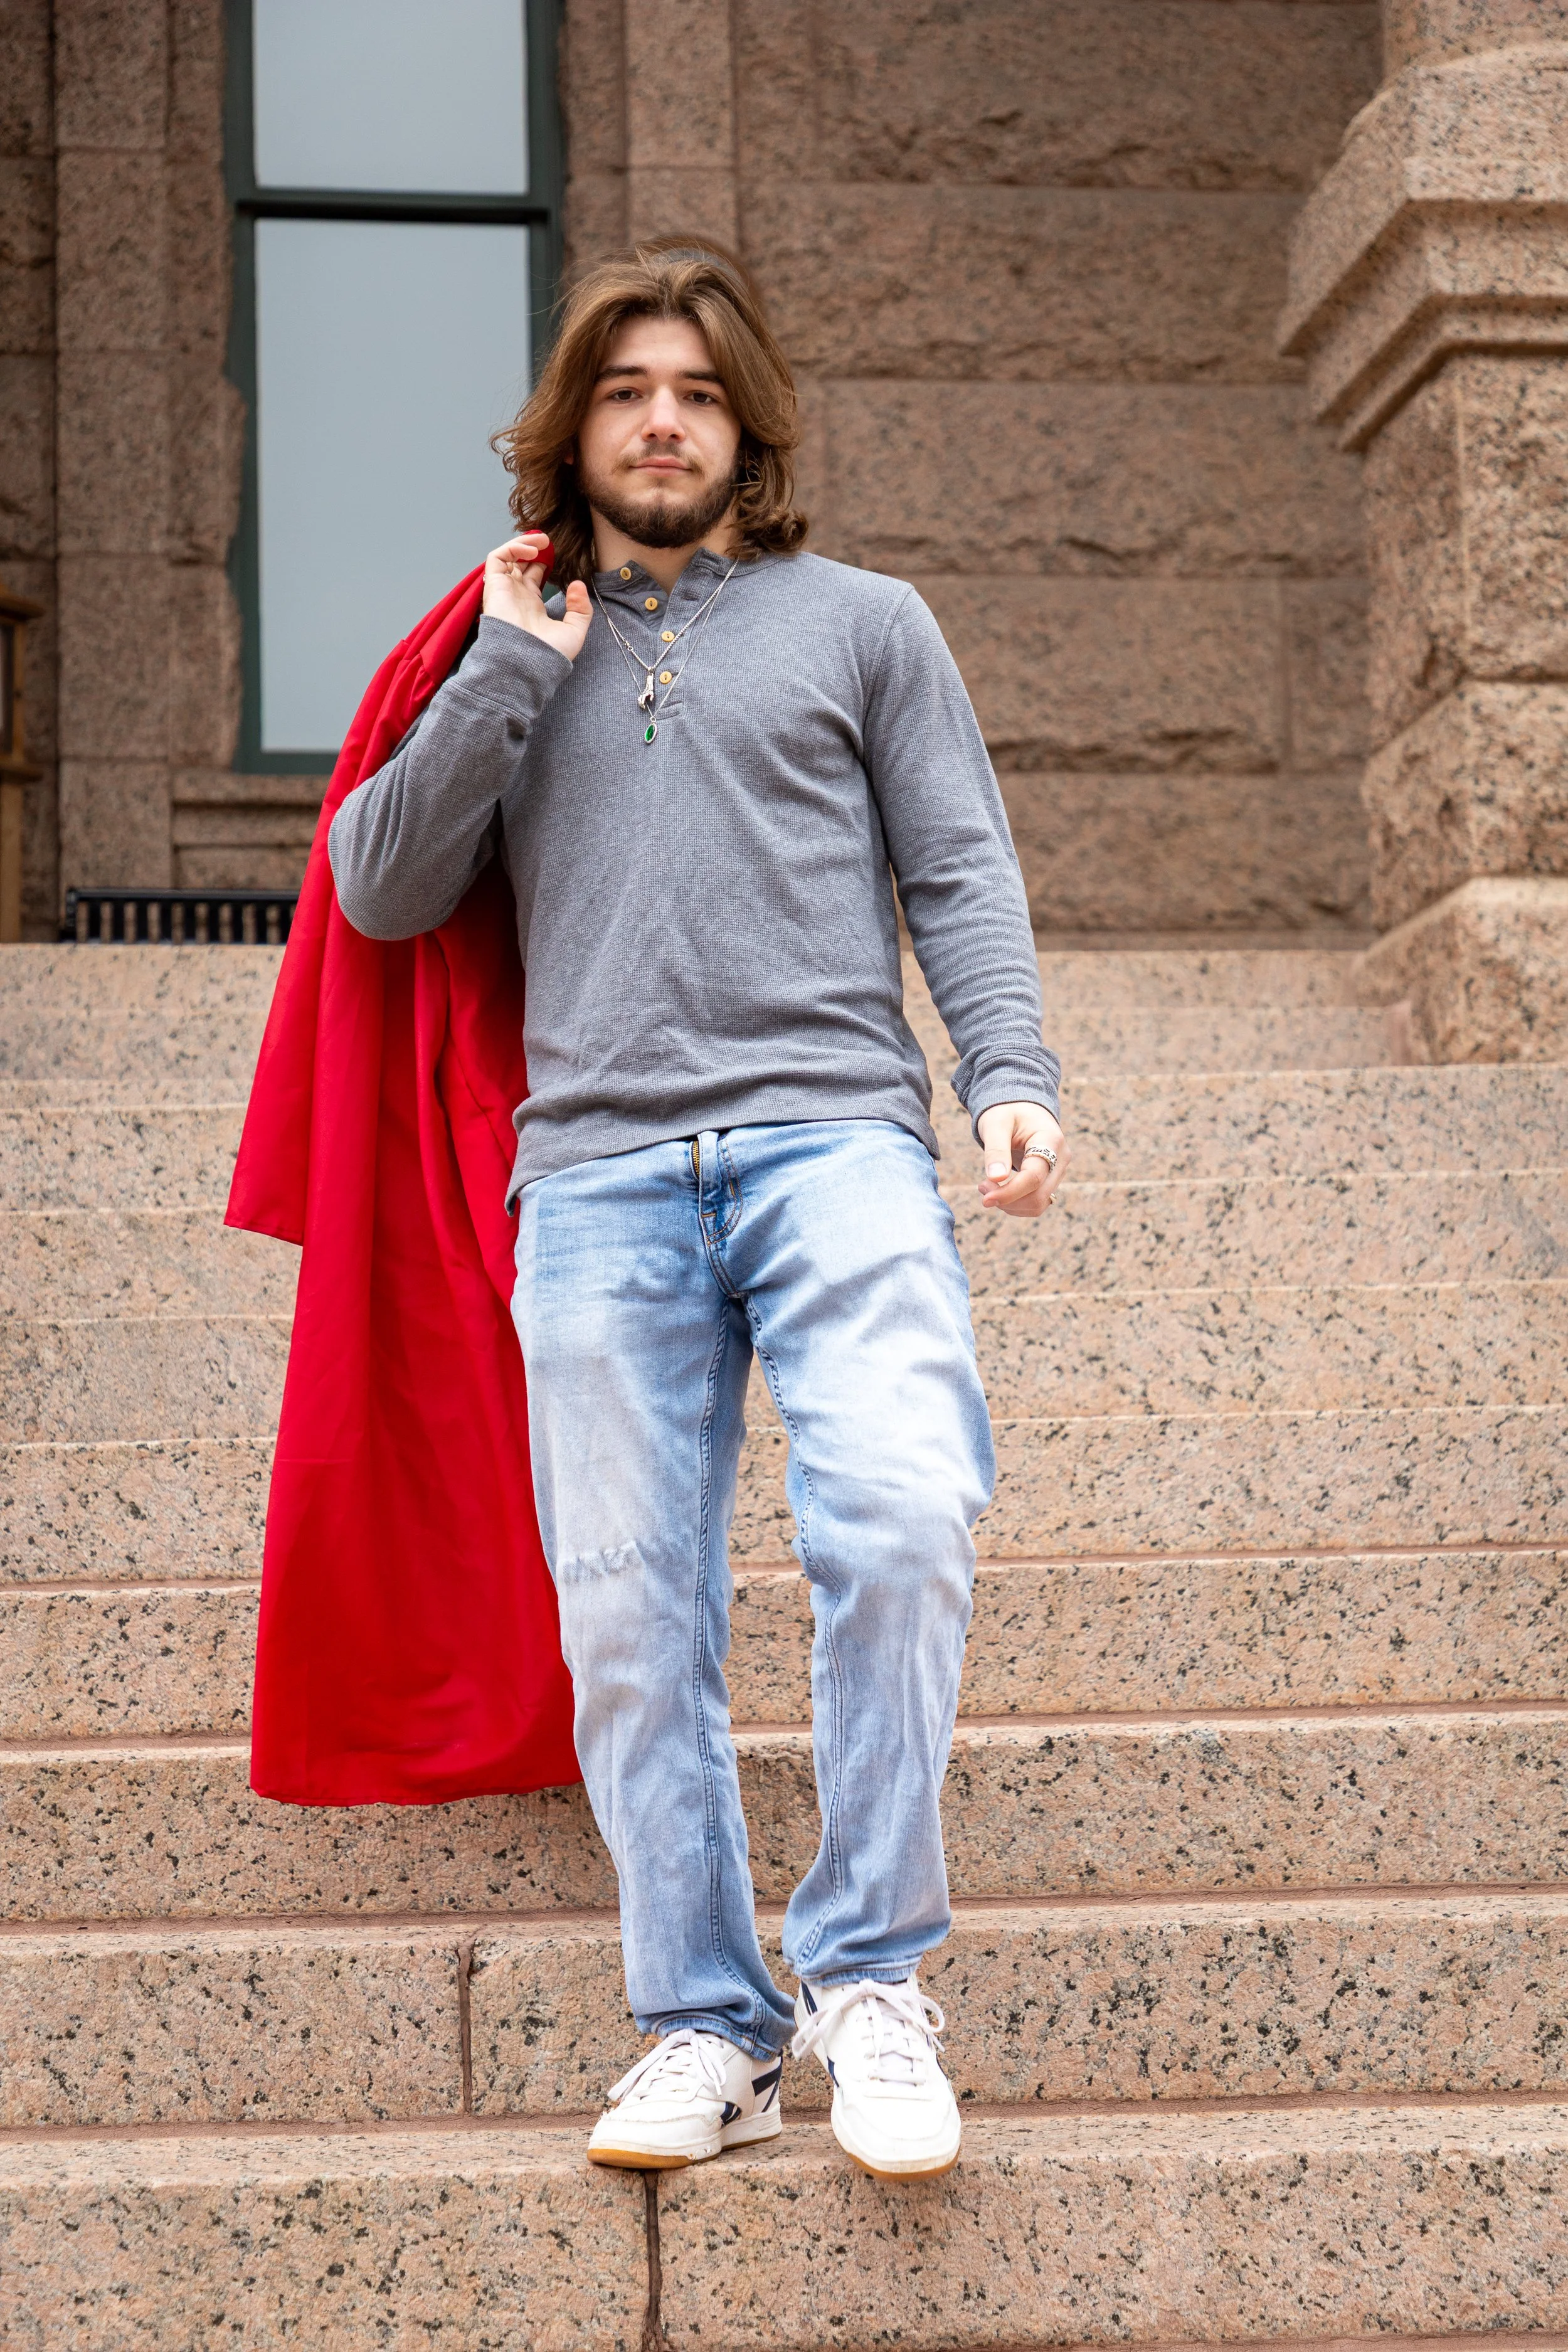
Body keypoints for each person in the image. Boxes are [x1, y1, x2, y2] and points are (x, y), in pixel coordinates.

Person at [328, 240, 1066, 2181]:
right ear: (572, 424)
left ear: (748, 426)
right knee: (634, 1618)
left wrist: (1007, 1072)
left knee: (902, 1513)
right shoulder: (498, 637)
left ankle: (871, 1977)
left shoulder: (866, 624)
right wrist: (506, 670)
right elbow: (380, 887)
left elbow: (962, 873)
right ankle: (706, 2021)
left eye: (699, 394)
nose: (663, 422)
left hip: (836, 1136)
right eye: (628, 391)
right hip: (592, 1174)